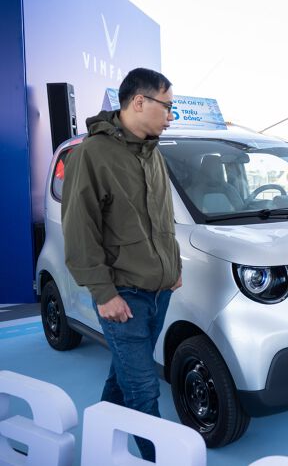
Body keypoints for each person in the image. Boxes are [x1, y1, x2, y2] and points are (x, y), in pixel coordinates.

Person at [62, 68, 181, 461]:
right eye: (167, 106)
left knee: (122, 379)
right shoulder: (91, 155)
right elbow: (79, 231)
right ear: (139, 102)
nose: (170, 116)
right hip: (124, 296)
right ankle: (159, 459)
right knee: (143, 391)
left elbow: (162, 219)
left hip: (159, 292)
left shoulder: (152, 153)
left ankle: (97, 450)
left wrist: (173, 267)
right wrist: (103, 294)